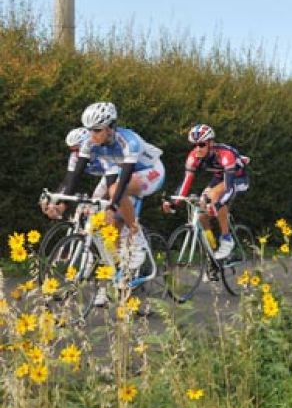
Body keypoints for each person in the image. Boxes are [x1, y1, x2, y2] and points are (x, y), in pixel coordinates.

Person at [59, 102, 165, 305]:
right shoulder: (90, 143)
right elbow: (74, 175)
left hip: (150, 171)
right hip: (123, 177)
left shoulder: (129, 141)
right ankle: (112, 281)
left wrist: (112, 205)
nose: (92, 135)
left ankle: (137, 236)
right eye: (89, 130)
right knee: (109, 227)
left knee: (115, 193)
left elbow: (124, 179)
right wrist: (63, 202)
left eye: (96, 130)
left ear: (110, 128)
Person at [163, 124, 250, 259]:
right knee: (202, 214)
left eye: (202, 144)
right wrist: (175, 203)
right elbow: (186, 181)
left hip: (237, 179)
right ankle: (213, 250)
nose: (198, 148)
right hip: (219, 178)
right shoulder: (194, 156)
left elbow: (227, 186)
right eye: (195, 145)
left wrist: (216, 204)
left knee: (216, 197)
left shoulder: (225, 155)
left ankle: (227, 239)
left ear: (211, 143)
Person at [42, 128, 120, 219]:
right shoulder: (74, 157)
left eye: (78, 149)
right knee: (93, 207)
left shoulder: (101, 152)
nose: (76, 153)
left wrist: (105, 199)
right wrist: (54, 199)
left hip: (119, 173)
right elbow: (68, 181)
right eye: (73, 150)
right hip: (107, 175)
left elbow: (112, 179)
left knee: (105, 203)